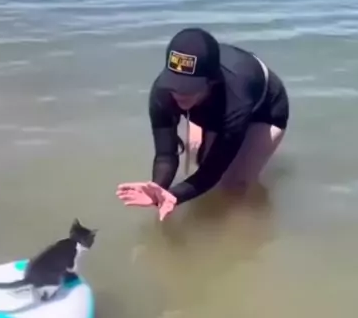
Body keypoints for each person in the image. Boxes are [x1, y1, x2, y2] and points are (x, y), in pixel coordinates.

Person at [116, 27, 289, 220]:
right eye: (175, 84)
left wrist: (176, 196)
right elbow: (165, 155)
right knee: (197, 154)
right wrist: (157, 189)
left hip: (264, 108)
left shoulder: (236, 100)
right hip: (212, 104)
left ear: (212, 82)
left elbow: (213, 170)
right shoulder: (162, 91)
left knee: (234, 183)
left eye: (189, 88)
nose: (179, 93)